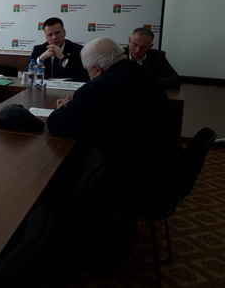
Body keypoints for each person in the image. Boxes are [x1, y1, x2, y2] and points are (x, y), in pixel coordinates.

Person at [47, 37, 184, 208]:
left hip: (141, 177)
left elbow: (57, 123)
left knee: (69, 167)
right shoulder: (141, 72)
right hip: (167, 165)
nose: (89, 75)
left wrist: (64, 110)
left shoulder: (101, 86)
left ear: (97, 69)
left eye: (88, 70)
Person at [26, 17, 89, 82]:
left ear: (64, 32)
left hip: (69, 87)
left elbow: (85, 76)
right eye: (50, 35)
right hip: (45, 87)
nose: (54, 37)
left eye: (57, 33)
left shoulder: (78, 50)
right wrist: (42, 58)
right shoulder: (38, 49)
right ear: (45, 36)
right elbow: (26, 74)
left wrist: (63, 58)